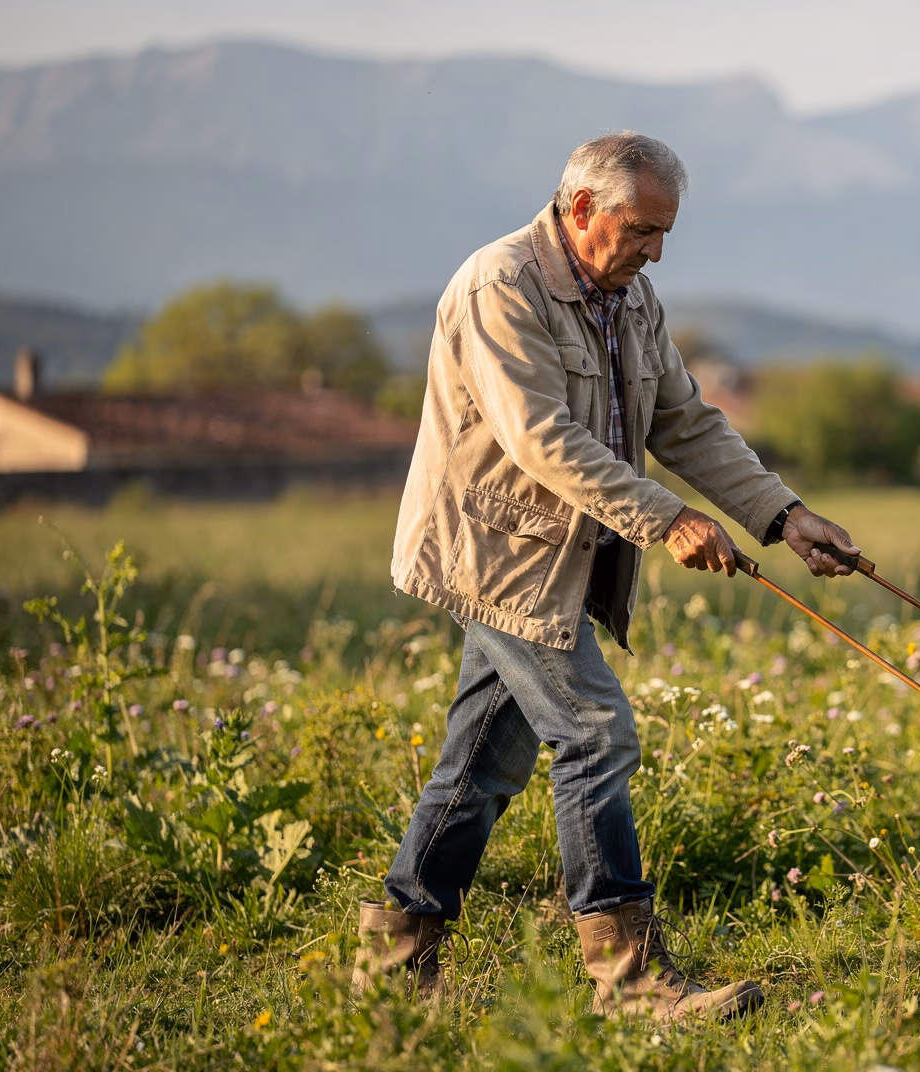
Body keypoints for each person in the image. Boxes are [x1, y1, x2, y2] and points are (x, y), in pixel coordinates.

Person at [360, 131, 858, 1021]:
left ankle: (390, 965)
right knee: (595, 733)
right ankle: (628, 984)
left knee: (480, 766)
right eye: (642, 229)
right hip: (503, 557)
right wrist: (667, 521)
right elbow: (541, 439)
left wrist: (786, 519)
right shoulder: (498, 286)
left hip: (566, 562)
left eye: (666, 233)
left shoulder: (634, 299)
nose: (655, 250)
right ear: (582, 207)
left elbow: (687, 424)